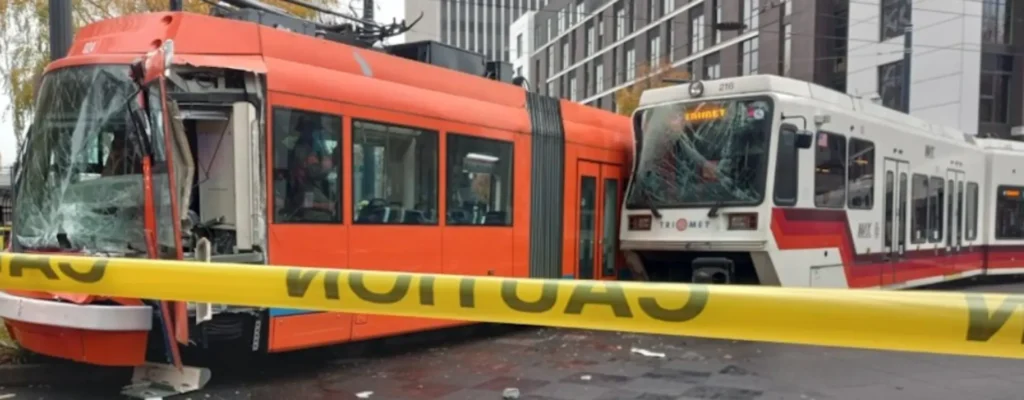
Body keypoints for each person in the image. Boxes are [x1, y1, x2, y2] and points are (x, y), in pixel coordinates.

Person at [284, 115, 335, 221]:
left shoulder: (314, 147)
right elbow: (305, 203)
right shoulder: (301, 149)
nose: (312, 132)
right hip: (311, 219)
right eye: (309, 128)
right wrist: (329, 164)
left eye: (313, 129)